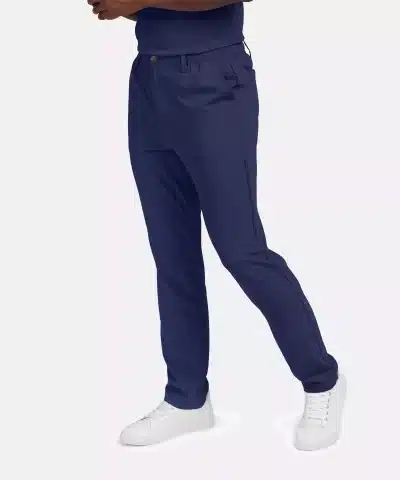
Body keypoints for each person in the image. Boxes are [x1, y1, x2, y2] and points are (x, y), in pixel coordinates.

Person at [88, 0, 346, 450]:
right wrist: (118, 6)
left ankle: (321, 379)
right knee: (172, 255)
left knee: (242, 249)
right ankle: (187, 398)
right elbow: (149, 10)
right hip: (150, 80)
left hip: (213, 81)